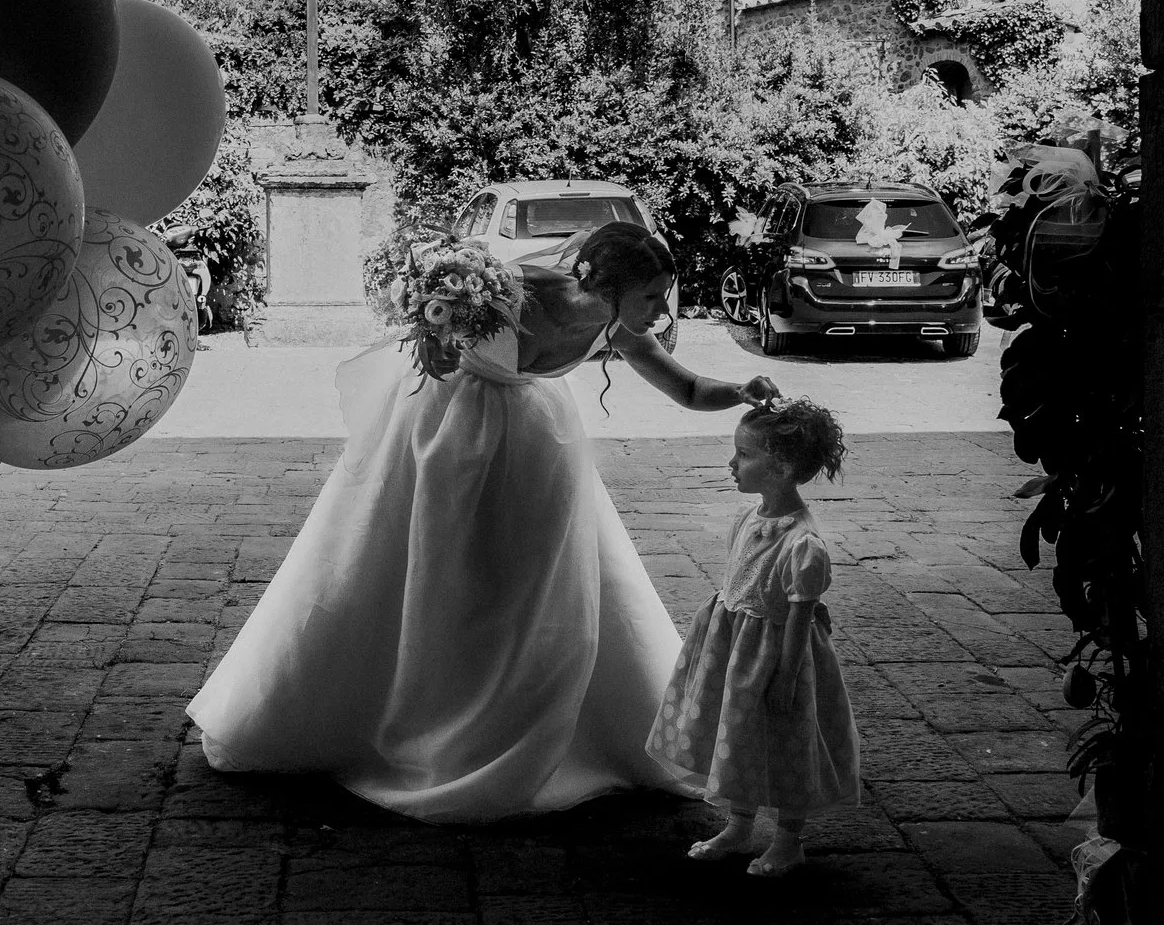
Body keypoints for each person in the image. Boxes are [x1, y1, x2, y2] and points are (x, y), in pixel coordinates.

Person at [186, 221, 780, 823]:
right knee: (439, 568)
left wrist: (741, 390)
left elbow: (688, 388)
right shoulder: (508, 287)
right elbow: (430, 329)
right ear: (604, 283)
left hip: (536, 441)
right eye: (650, 296)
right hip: (448, 429)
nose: (661, 310)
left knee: (533, 580)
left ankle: (533, 715)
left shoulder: (621, 328)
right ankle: (415, 717)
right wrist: (435, 331)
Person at [646, 398, 857, 878]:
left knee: (788, 742)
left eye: (744, 454)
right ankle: (738, 826)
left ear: (780, 468)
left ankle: (788, 840)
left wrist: (786, 677)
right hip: (736, 652)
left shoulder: (803, 544)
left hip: (778, 657)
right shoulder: (747, 519)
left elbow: (799, 620)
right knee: (739, 737)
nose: (732, 463)